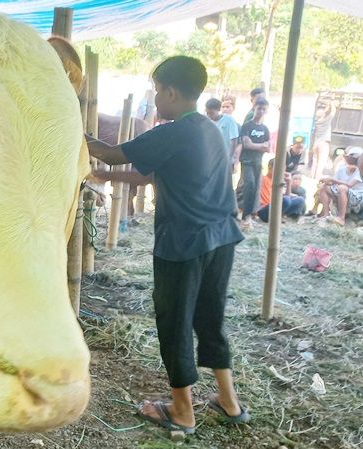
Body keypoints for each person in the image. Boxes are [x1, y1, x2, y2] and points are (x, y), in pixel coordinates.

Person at [86, 56, 248, 435]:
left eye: (158, 90)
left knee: (174, 322)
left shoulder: (172, 131)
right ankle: (228, 401)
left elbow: (111, 152)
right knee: (210, 319)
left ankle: (181, 411)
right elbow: (150, 175)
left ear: (171, 92)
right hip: (222, 238)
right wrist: (100, 175)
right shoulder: (210, 130)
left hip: (183, 243)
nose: (156, 97)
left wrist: (71, 133)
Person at [310, 146, 363, 225]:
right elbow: (334, 182)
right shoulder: (342, 168)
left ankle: (341, 218)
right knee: (323, 187)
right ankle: (326, 214)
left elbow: (350, 185)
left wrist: (332, 180)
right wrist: (327, 181)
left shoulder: (359, 171)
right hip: (341, 191)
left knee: (342, 188)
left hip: (356, 197)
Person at [238, 97, 270, 226]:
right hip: (247, 161)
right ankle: (245, 215)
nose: (260, 111)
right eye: (258, 109)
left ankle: (251, 215)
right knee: (249, 185)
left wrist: (257, 145)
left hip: (258, 162)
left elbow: (268, 147)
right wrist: (260, 146)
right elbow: (246, 144)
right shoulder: (247, 126)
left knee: (256, 188)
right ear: (254, 109)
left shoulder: (265, 129)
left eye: (263, 109)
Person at [205, 98, 240, 170]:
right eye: (207, 113)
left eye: (211, 113)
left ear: (218, 110)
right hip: (212, 158)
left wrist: (230, 157)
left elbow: (234, 140)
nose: (209, 115)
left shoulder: (229, 120)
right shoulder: (207, 122)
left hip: (226, 158)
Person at [309, 100, 336, 180]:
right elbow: (333, 111)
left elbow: (324, 112)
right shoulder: (326, 120)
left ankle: (312, 176)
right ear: (323, 114)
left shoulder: (317, 121)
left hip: (316, 144)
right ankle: (317, 178)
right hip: (323, 143)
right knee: (321, 162)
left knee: (315, 161)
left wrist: (327, 106)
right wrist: (332, 102)